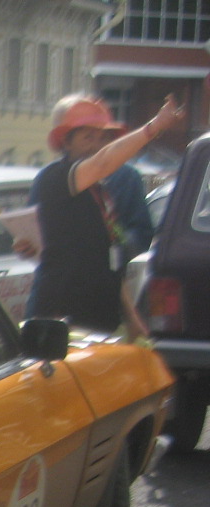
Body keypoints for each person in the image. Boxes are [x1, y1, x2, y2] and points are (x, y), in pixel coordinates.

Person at [28, 93, 185, 338]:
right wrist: (153, 127)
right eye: (88, 136)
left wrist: (132, 318)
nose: (97, 145)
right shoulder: (56, 178)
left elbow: (110, 259)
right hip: (62, 319)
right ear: (66, 143)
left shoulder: (98, 190)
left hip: (100, 320)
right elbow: (103, 162)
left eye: (103, 138)